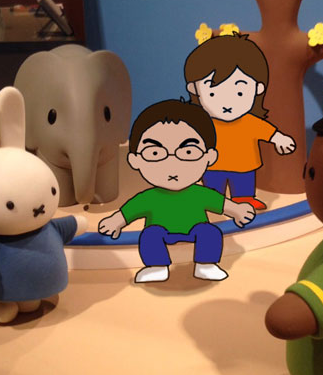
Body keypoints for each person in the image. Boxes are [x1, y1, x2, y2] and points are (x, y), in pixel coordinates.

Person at [98, 99, 255, 283]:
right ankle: (156, 266)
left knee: (210, 232)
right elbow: (128, 212)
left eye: (188, 152)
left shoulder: (200, 193)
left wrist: (237, 210)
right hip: (161, 230)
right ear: (135, 160)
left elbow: (222, 204)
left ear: (209, 157)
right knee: (150, 235)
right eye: (155, 153)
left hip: (196, 228)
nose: (172, 164)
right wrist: (115, 221)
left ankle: (206, 265)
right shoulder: (148, 198)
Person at [185, 33, 295, 210]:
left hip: (245, 166)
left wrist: (280, 139)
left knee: (243, 188)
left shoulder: (251, 123)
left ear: (258, 88)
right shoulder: (203, 124)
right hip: (213, 166)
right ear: (194, 89)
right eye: (213, 93)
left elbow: (269, 132)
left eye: (239, 93)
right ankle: (212, 201)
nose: (227, 103)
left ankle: (244, 198)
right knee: (212, 191)